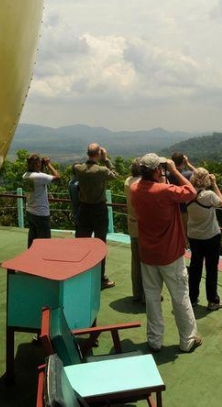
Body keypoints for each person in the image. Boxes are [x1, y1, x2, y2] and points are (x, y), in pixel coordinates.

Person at [131, 153, 202, 353]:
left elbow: (149, 186)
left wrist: (162, 173)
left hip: (148, 254)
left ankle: (154, 341)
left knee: (152, 298)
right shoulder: (164, 191)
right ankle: (187, 339)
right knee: (180, 296)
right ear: (156, 170)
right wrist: (173, 170)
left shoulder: (135, 189)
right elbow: (191, 192)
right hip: (170, 254)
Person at [72, 143, 120, 289]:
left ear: (87, 153)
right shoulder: (101, 170)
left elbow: (74, 167)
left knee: (81, 244)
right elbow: (115, 175)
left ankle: (80, 274)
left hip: (83, 209)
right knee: (100, 244)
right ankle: (100, 279)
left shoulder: (78, 169)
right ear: (98, 154)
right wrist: (106, 159)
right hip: (98, 210)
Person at [186, 168, 222, 311]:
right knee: (211, 268)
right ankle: (213, 300)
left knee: (195, 266)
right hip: (211, 235)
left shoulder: (188, 193)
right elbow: (221, 202)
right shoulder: (209, 195)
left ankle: (192, 298)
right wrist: (215, 184)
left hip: (194, 235)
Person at [22, 154, 60, 248]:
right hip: (41, 214)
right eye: (39, 163)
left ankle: (31, 259)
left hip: (30, 211)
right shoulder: (38, 177)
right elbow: (57, 177)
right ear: (37, 164)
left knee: (33, 240)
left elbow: (40, 176)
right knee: (44, 243)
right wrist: (48, 164)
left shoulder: (25, 175)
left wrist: (42, 165)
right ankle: (42, 261)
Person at [124, 159, 144, 302]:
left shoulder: (127, 182)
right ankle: (147, 295)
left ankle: (137, 293)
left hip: (132, 225)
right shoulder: (142, 184)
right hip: (144, 227)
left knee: (135, 261)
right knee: (147, 264)